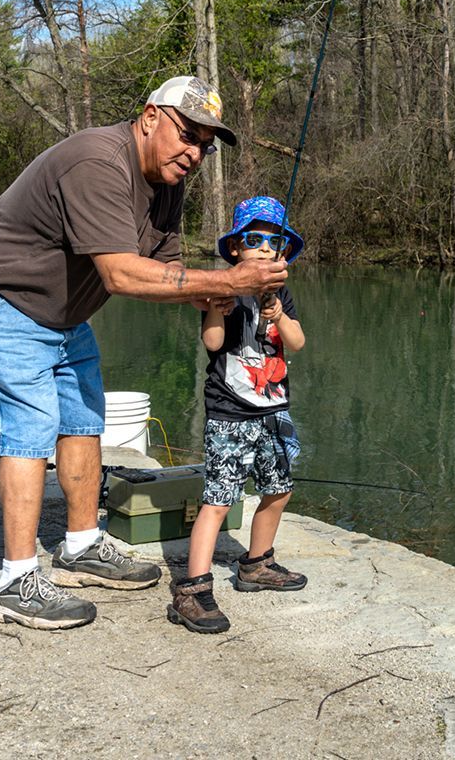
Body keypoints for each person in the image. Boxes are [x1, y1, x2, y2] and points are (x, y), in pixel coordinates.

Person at [0, 75, 288, 631]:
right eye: (188, 134)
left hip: (59, 312)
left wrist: (232, 295)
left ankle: (80, 548)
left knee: (81, 418)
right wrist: (233, 278)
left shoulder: (168, 185)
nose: (194, 153)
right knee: (31, 425)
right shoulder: (97, 162)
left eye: (205, 144)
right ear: (150, 116)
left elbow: (170, 275)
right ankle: (12, 581)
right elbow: (122, 273)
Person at [168, 196, 308, 634]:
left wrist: (279, 315)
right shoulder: (223, 291)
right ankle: (193, 588)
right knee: (219, 499)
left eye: (274, 241)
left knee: (279, 489)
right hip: (230, 412)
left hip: (275, 411)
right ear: (235, 249)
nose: (265, 248)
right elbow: (212, 344)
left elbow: (298, 344)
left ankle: (256, 563)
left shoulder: (281, 294)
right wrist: (215, 307)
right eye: (254, 239)